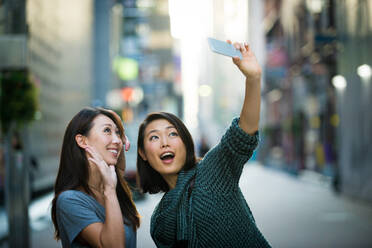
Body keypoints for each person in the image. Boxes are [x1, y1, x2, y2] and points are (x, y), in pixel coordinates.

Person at [136, 41, 271, 247]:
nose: (164, 142)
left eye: (172, 134)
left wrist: (253, 79)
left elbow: (242, 135)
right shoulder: (159, 222)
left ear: (186, 143)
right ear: (143, 153)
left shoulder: (211, 171)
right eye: (154, 137)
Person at [51, 107, 140, 248]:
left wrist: (118, 130)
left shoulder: (114, 188)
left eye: (117, 133)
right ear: (82, 141)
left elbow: (120, 164)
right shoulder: (70, 201)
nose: (117, 140)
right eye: (107, 130)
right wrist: (109, 191)